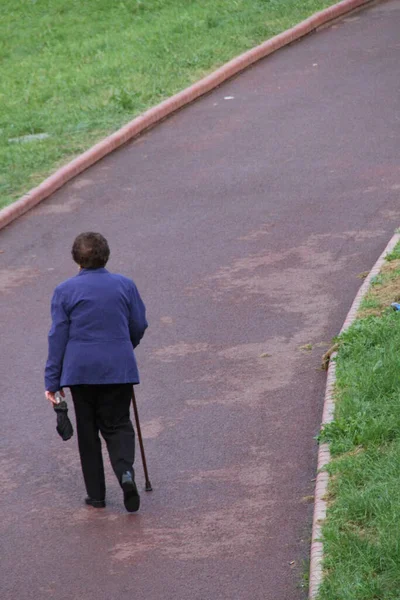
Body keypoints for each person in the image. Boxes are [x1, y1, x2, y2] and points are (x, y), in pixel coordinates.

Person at [44, 232, 148, 512]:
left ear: (76, 259)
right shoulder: (125, 285)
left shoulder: (64, 291)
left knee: (87, 430)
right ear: (107, 255)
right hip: (118, 367)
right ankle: (126, 473)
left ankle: (97, 495)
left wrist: (52, 381)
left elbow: (58, 338)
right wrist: (125, 346)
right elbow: (138, 324)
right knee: (118, 424)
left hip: (80, 372)